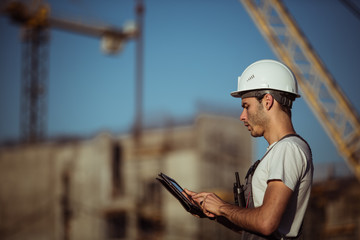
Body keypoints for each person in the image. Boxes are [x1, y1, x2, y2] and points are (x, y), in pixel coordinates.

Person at [184, 59, 314, 240]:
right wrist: (212, 211)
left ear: (267, 101)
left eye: (246, 106)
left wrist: (222, 206)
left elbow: (266, 223)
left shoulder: (288, 149)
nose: (242, 116)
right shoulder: (279, 151)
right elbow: (254, 227)